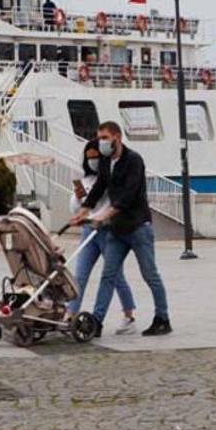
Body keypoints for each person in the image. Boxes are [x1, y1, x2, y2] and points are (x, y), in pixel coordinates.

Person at [70, 121, 172, 336]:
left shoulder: (134, 160)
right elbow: (99, 188)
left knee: (150, 275)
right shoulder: (106, 161)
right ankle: (97, 321)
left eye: (105, 137)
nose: (102, 142)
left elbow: (128, 195)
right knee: (109, 275)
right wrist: (84, 210)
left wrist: (102, 216)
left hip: (137, 227)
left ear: (117, 137)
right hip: (117, 230)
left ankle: (162, 317)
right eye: (100, 138)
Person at [67, 140, 137, 333]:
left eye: (95, 157)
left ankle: (129, 315)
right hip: (88, 230)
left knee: (115, 276)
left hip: (107, 230)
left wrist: (100, 217)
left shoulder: (109, 178)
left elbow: (110, 204)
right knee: (79, 275)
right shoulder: (87, 179)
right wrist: (79, 197)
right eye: (89, 158)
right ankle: (71, 314)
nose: (93, 162)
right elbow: (76, 208)